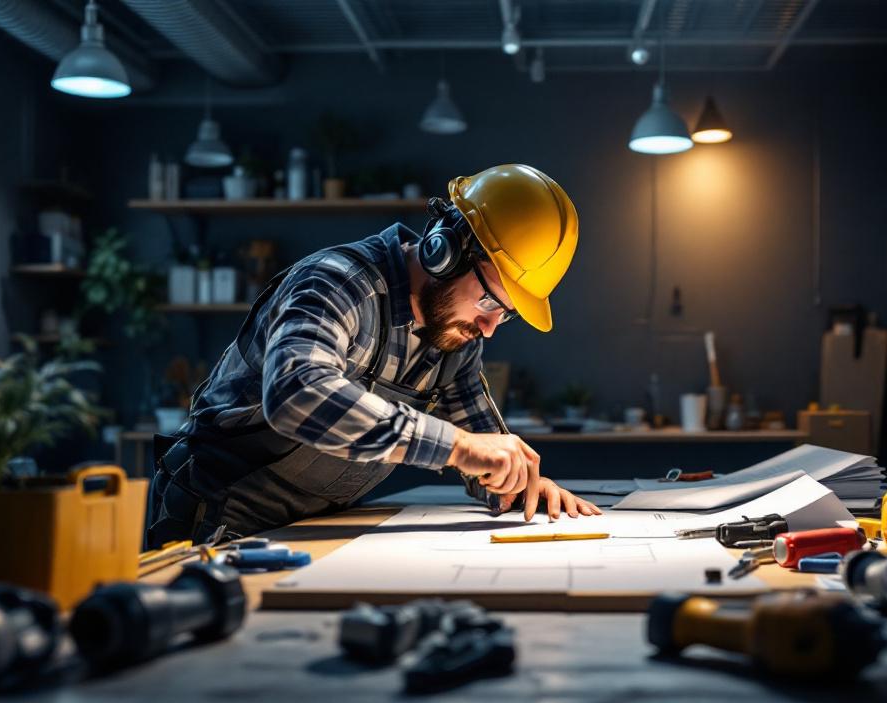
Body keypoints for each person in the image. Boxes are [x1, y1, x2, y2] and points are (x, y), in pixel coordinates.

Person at [147, 164, 601, 547]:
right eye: (489, 302)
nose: (488, 327)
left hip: (311, 527)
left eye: (506, 314)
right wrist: (458, 447)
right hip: (212, 517)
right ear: (446, 250)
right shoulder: (338, 281)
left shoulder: (456, 339)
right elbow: (295, 392)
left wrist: (515, 483)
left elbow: (482, 449)